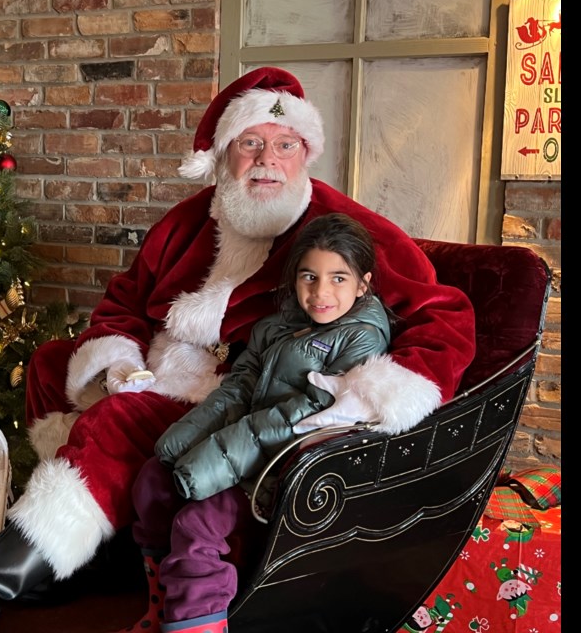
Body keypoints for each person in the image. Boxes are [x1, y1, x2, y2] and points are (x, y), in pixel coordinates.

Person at [0, 66, 476, 633]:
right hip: (156, 377)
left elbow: (443, 317)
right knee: (54, 363)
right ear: (223, 154)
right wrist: (120, 362)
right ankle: (74, 556)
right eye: (250, 142)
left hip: (245, 399)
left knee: (120, 422)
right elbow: (123, 304)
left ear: (306, 153)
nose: (267, 159)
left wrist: (366, 396)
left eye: (285, 144)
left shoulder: (341, 230)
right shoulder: (184, 224)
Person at [116, 213, 391, 633]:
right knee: (152, 480)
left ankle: (196, 624)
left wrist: (213, 459)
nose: (321, 292)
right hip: (243, 449)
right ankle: (160, 609)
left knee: (197, 523)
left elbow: (302, 415)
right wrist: (185, 440)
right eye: (309, 277)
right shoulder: (276, 326)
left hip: (283, 466)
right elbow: (237, 388)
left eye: (338, 278)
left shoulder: (360, 338)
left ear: (363, 283)